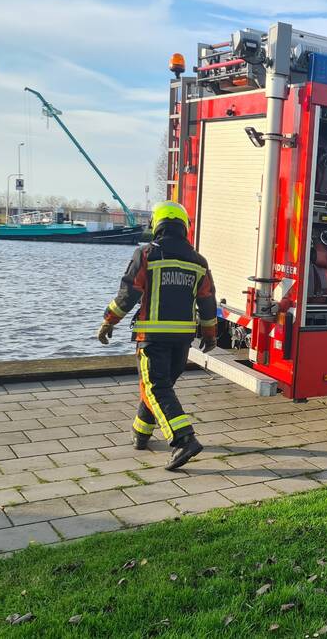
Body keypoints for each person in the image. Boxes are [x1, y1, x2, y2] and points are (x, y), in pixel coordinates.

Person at [96, 201, 217, 471]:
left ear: (156, 225)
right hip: (182, 342)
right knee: (159, 388)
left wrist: (108, 321)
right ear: (184, 227)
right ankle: (141, 434)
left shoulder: (147, 254)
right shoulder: (199, 262)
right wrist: (210, 335)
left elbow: (129, 293)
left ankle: (184, 439)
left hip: (153, 338)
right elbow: (207, 302)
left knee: (156, 388)